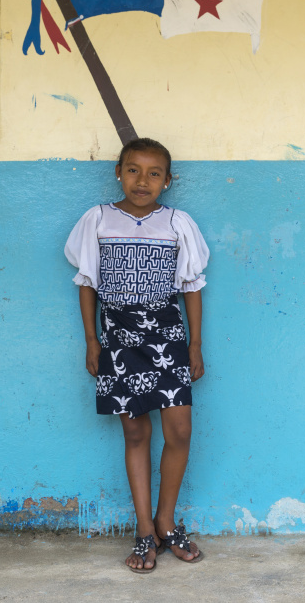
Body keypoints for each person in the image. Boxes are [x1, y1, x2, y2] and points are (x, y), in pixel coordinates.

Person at [64, 137, 209, 573]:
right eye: (132, 170)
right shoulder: (98, 220)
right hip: (119, 337)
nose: (141, 180)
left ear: (167, 181)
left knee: (179, 429)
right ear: (118, 172)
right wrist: (92, 341)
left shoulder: (177, 223)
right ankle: (145, 529)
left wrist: (194, 345)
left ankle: (167, 521)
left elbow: (191, 287)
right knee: (135, 434)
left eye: (153, 173)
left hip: (166, 335)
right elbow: (87, 281)